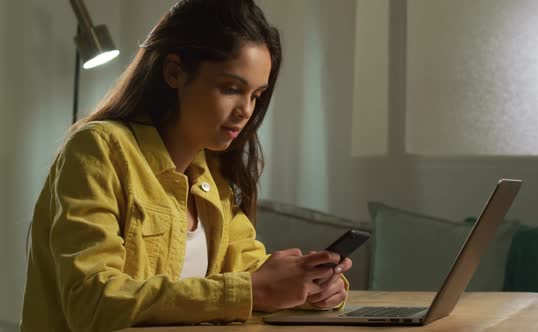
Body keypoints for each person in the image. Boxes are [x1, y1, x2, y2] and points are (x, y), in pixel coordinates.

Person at [20, 0, 352, 331]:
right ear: (175, 72)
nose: (245, 110)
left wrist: (312, 287)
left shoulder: (212, 175)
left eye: (256, 95)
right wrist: (250, 291)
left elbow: (252, 270)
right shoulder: (98, 150)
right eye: (231, 89)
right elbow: (91, 302)